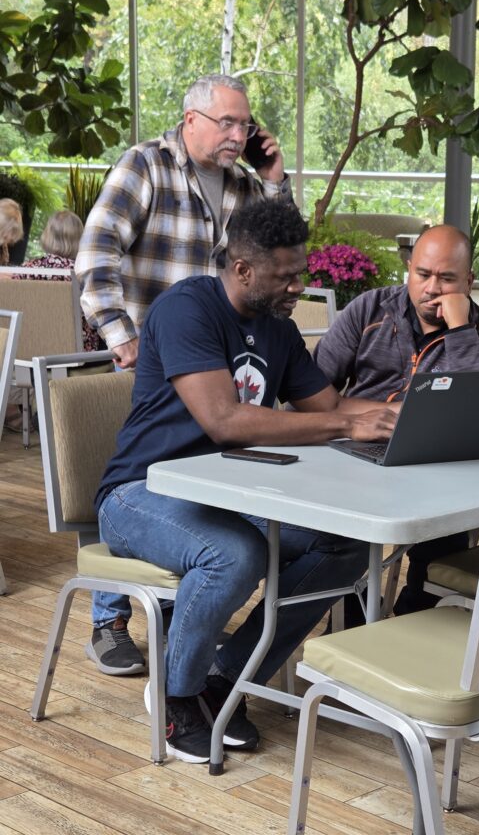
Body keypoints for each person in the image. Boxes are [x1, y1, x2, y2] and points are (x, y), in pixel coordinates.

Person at [95, 200, 395, 763]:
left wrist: (399, 415)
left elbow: (327, 404)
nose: (298, 287)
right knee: (235, 555)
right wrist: (346, 421)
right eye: (286, 276)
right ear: (242, 270)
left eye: (300, 273)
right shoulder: (187, 310)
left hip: (231, 491)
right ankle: (176, 694)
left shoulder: (277, 329)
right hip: (142, 493)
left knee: (344, 542)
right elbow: (224, 421)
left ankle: (224, 675)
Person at [75, 73, 290, 676]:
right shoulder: (146, 166)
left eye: (245, 124)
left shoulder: (246, 188)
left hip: (213, 365)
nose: (238, 133)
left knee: (188, 481)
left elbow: (278, 252)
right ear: (190, 118)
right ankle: (109, 618)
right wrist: (123, 338)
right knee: (134, 474)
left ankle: (181, 608)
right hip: (149, 359)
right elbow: (96, 255)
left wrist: (274, 183)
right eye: (227, 122)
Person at [314, 224, 479, 617]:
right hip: (356, 457)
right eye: (422, 274)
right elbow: (312, 394)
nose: (432, 288)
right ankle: (353, 634)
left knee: (447, 534)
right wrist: (389, 412)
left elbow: (477, 410)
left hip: (435, 469)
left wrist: (459, 329)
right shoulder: (369, 309)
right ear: (409, 269)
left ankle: (409, 621)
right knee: (347, 548)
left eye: (447, 279)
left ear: (469, 281)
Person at [17, 210, 99, 352]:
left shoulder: (26, 270)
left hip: (31, 348)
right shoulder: (85, 273)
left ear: (48, 235)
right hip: (77, 352)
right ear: (80, 239)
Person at [0, 198, 23, 266]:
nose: (2, 242)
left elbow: (4, 264)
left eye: (6, 240)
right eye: (4, 237)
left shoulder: (3, 248)